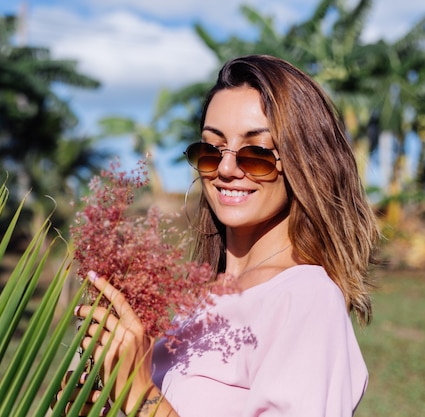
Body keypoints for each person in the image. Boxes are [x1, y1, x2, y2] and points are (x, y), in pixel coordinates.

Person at [64, 54, 380, 416]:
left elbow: (148, 401)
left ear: (305, 163)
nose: (226, 169)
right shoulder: (200, 301)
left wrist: (140, 392)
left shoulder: (305, 297)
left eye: (257, 153)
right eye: (211, 150)